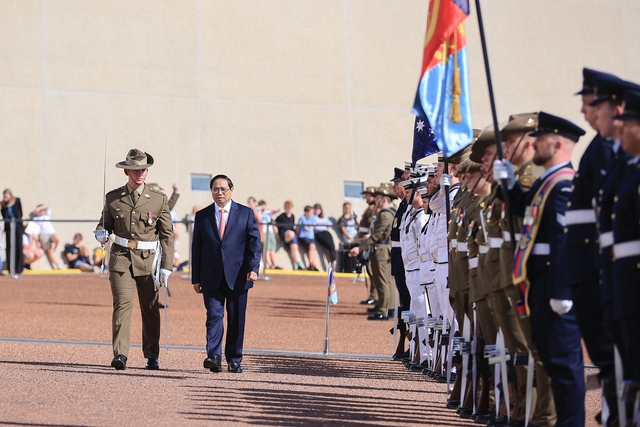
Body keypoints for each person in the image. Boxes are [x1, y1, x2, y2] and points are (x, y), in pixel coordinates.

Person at [495, 111, 586, 427]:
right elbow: (522, 207)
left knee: (564, 365)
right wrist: (508, 182)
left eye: (543, 139)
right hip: (538, 284)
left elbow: (563, 242)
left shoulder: (563, 185)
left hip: (553, 286)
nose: (535, 143)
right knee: (551, 360)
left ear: (559, 143)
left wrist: (562, 291)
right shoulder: (546, 182)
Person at [94, 148, 174, 371]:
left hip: (148, 260)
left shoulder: (158, 199)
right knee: (122, 305)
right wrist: (101, 232)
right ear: (127, 171)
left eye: (143, 170)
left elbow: (167, 234)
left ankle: (151, 355)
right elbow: (104, 224)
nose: (140, 174)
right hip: (121, 258)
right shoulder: (113, 197)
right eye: (136, 170)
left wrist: (167, 266)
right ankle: (120, 354)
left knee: (150, 308)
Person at [191, 174, 261, 374]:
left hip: (239, 275)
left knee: (236, 319)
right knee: (214, 315)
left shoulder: (245, 213)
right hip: (210, 275)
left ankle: (234, 359)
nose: (219, 193)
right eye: (215, 189)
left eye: (223, 189)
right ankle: (213, 356)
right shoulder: (202, 215)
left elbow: (254, 244)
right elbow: (197, 248)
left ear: (231, 190)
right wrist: (196, 278)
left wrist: (253, 268)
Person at [349, 184, 396, 320]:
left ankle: (383, 310)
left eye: (379, 198)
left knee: (383, 282)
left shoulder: (385, 215)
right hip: (383, 249)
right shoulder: (387, 213)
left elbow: (376, 236)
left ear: (385, 199)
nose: (377, 200)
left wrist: (359, 248)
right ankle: (387, 307)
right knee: (386, 281)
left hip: (381, 250)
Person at [274, 201, 304, 270]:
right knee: (291, 233)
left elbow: (293, 227)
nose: (289, 210)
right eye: (287, 208)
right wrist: (278, 236)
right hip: (284, 234)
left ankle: (299, 265)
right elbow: (274, 224)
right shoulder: (281, 216)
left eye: (290, 208)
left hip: (291, 236)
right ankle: (286, 242)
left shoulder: (292, 216)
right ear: (285, 208)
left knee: (295, 249)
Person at [30, 204, 61, 269]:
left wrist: (40, 208)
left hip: (51, 233)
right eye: (40, 210)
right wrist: (37, 241)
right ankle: (57, 265)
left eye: (43, 210)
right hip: (43, 236)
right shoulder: (35, 219)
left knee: (57, 239)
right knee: (49, 251)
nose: (42, 211)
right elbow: (34, 230)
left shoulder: (46, 216)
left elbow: (47, 206)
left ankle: (56, 248)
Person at [1, 189, 24, 276]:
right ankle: (11, 269)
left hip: (17, 226)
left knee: (18, 245)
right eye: (4, 196)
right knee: (9, 247)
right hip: (8, 227)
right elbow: (5, 216)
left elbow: (20, 213)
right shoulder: (3, 205)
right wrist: (5, 206)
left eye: (6, 196)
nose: (5, 198)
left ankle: (19, 268)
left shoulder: (17, 201)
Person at [258, 200, 281, 269]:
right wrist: (259, 208)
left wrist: (266, 208)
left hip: (271, 232)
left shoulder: (268, 213)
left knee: (272, 249)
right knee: (266, 249)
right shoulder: (259, 213)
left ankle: (275, 264)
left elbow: (277, 209)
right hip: (264, 232)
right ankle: (270, 264)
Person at [313, 203, 336, 269]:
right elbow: (315, 227)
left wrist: (323, 225)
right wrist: (322, 225)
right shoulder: (313, 217)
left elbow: (330, 224)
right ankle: (332, 263)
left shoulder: (324, 218)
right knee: (329, 245)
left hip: (326, 233)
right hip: (319, 234)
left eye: (318, 209)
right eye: (316, 209)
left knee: (332, 246)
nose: (317, 211)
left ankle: (334, 262)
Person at [297, 205, 319, 271]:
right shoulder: (302, 218)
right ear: (306, 212)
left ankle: (312, 264)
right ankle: (311, 264)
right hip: (303, 236)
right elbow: (298, 228)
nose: (311, 214)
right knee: (312, 246)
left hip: (311, 237)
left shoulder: (312, 217)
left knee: (312, 248)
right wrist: (297, 237)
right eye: (310, 212)